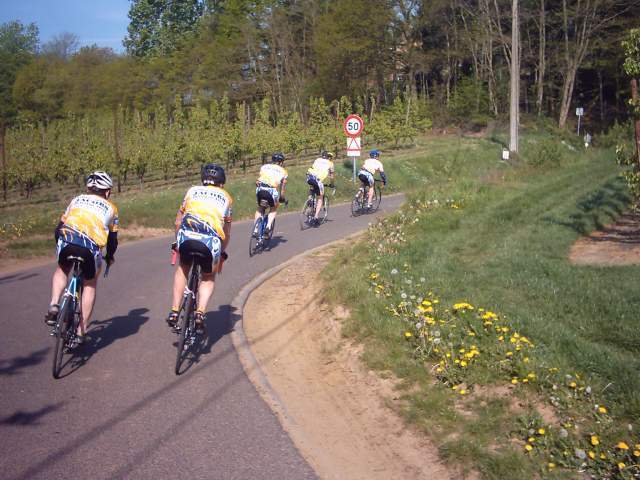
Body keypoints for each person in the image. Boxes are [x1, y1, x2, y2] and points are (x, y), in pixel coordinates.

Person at [45, 171, 118, 345]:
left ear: (88, 188)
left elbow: (59, 228)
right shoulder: (112, 208)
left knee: (62, 269)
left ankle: (54, 304)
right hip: (89, 248)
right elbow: (112, 240)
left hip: (67, 241)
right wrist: (110, 257)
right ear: (107, 191)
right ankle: (81, 330)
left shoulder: (76, 200)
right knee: (90, 283)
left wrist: (59, 247)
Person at [166, 163, 232, 335]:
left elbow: (178, 221)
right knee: (209, 276)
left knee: (183, 268)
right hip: (210, 243)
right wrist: (222, 252)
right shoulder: (226, 198)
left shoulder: (192, 191)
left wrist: (176, 242)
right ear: (221, 184)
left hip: (187, 238)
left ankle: (174, 310)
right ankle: (200, 313)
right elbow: (226, 231)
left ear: (203, 180)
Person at [254, 152, 288, 237]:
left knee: (260, 208)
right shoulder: (283, 171)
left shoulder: (264, 167)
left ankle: (255, 229)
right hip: (271, 190)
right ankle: (268, 226)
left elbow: (258, 181)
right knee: (274, 208)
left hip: (260, 189)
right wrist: (282, 197)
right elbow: (282, 187)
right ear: (281, 162)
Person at [306, 151, 335, 225]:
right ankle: (316, 216)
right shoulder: (330, 163)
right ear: (329, 157)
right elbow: (331, 176)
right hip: (318, 180)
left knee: (312, 187)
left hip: (309, 177)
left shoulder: (317, 160)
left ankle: (309, 199)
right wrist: (332, 184)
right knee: (320, 198)